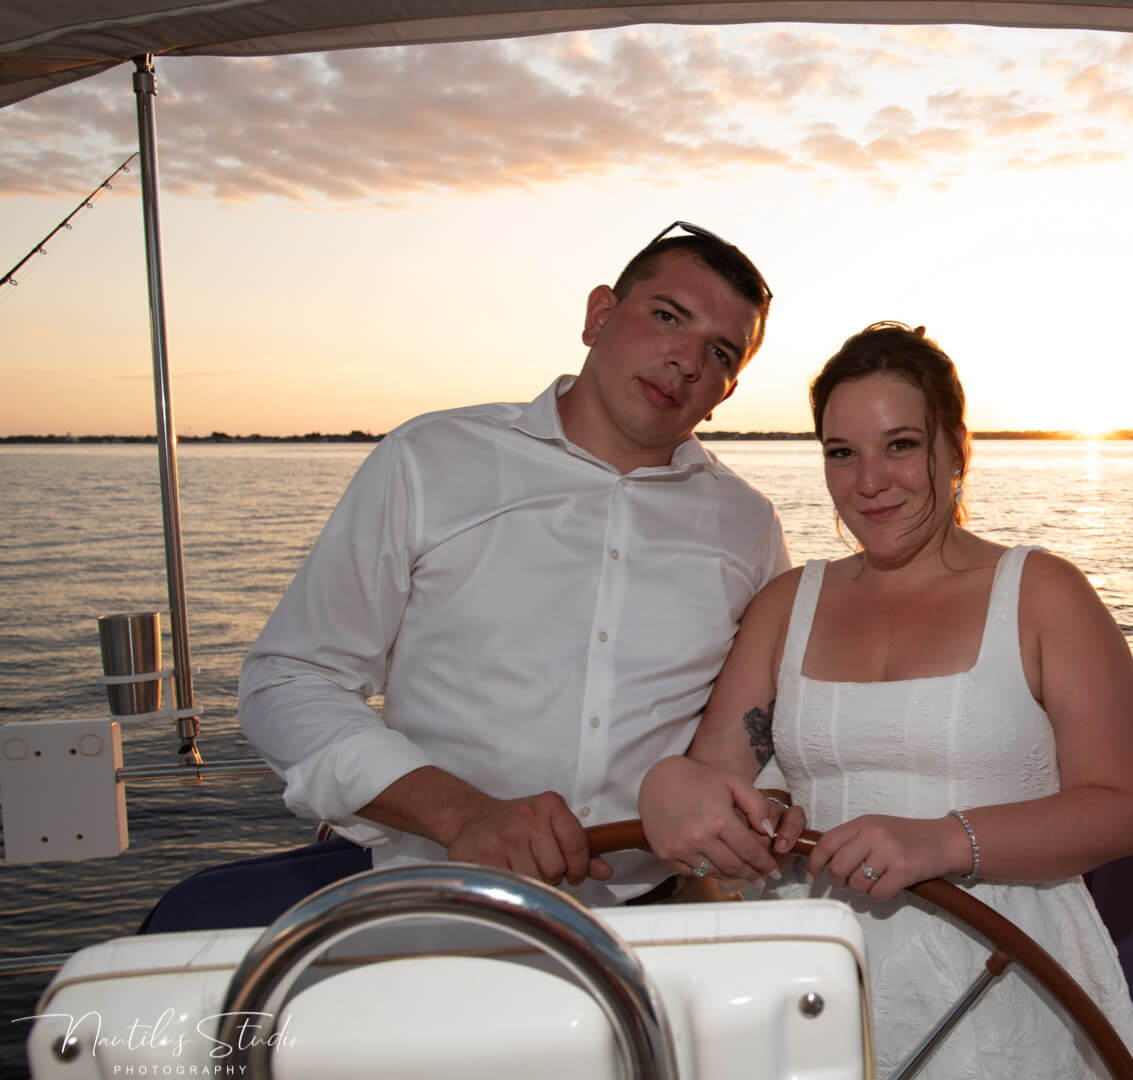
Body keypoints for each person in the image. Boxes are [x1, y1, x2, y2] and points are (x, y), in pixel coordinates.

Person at [636, 322, 1133, 1078]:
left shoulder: (1044, 593)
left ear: (955, 451)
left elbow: (1119, 807)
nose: (868, 481)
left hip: (1010, 972)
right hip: (813, 968)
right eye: (841, 453)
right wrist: (669, 784)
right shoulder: (787, 603)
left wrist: (943, 841)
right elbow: (716, 775)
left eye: (900, 445)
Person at [239, 223, 791, 907]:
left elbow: (767, 726)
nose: (684, 359)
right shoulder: (430, 459)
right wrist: (460, 813)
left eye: (719, 352)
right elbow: (289, 680)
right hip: (436, 906)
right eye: (666, 316)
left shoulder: (748, 524)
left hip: (659, 918)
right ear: (599, 316)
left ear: (727, 390)